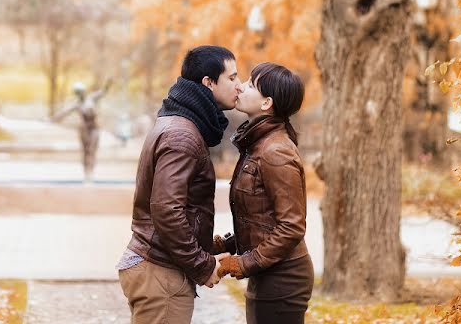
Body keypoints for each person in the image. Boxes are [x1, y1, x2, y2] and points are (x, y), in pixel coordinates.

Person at [117, 46, 241, 324]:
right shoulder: (182, 136)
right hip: (160, 273)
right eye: (232, 78)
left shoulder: (179, 124)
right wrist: (202, 265)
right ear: (208, 83)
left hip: (159, 268)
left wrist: (210, 246)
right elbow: (167, 210)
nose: (240, 86)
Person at [214, 62, 313, 324]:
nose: (240, 86)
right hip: (270, 276)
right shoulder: (259, 145)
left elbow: (291, 227)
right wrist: (226, 245)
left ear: (266, 103)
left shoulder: (275, 151)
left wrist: (243, 263)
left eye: (249, 84)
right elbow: (261, 219)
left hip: (283, 281)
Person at [52, 80, 110, 182]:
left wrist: (107, 85)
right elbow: (65, 112)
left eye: (80, 92)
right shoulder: (77, 104)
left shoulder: (91, 98)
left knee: (92, 150)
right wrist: (53, 118)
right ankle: (86, 173)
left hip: (94, 128)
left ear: (84, 91)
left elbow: (103, 92)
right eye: (78, 93)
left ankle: (91, 172)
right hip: (85, 130)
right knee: (86, 151)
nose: (80, 94)